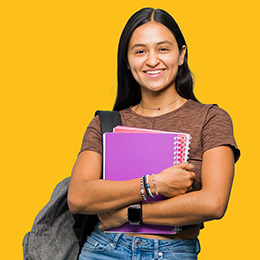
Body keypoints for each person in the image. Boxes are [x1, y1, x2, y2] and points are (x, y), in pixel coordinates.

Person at [68, 7, 240, 260]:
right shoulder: (106, 123)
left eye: (163, 49)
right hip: (104, 249)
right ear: (127, 61)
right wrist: (155, 184)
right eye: (140, 51)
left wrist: (128, 214)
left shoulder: (211, 119)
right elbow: (79, 197)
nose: (151, 60)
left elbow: (213, 203)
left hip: (173, 251)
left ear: (181, 55)